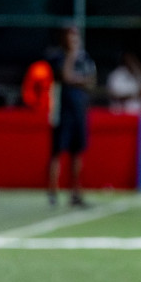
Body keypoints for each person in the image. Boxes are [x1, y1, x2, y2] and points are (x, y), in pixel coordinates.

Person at [47, 26, 96, 206]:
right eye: (70, 37)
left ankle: (75, 193)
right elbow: (66, 76)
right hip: (62, 111)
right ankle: (53, 192)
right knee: (57, 152)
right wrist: (72, 56)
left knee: (77, 153)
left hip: (79, 111)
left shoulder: (84, 58)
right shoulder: (57, 56)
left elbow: (91, 81)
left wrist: (79, 80)